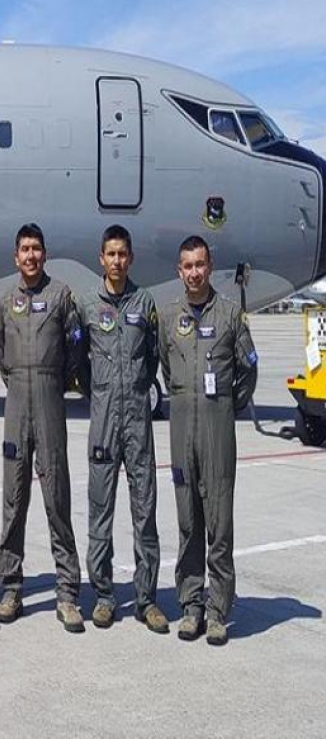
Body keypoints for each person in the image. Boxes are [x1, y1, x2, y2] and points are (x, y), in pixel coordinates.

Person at [158, 235, 257, 646]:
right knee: (188, 522)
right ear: (179, 271)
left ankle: (217, 610)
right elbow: (166, 367)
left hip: (218, 433)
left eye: (200, 264)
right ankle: (191, 606)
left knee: (219, 523)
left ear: (209, 265)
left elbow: (247, 370)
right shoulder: (168, 318)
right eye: (187, 265)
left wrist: (225, 408)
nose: (194, 272)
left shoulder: (232, 316)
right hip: (182, 432)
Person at [0, 223, 85, 632]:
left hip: (49, 405)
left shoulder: (61, 297)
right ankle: (11, 587)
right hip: (16, 410)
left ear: (44, 255)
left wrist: (54, 382)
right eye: (24, 250)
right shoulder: (4, 302)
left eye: (36, 249)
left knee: (56, 499)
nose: (30, 256)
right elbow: (3, 364)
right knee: (13, 503)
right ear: (16, 257)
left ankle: (67, 593)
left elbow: (75, 350)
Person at [77, 225, 168, 634]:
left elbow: (151, 360)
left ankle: (146, 599)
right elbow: (79, 364)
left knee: (144, 511)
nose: (116, 261)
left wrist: (132, 390)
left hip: (137, 424)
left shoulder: (144, 303)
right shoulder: (87, 306)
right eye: (110, 254)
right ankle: (104, 596)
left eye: (122, 254)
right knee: (100, 513)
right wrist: (100, 397)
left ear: (130, 258)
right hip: (103, 423)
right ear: (102, 258)